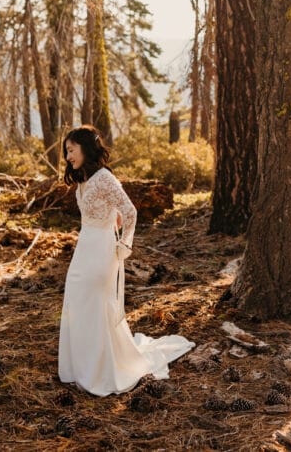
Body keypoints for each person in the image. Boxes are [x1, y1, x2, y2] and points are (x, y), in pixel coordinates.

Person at [57, 125, 194, 395]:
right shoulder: (84, 179)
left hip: (102, 251)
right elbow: (112, 210)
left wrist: (123, 244)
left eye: (72, 150)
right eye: (66, 152)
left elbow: (130, 211)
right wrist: (113, 216)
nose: (68, 157)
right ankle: (82, 367)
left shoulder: (104, 178)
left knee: (97, 303)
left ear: (86, 148)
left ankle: (102, 369)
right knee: (77, 300)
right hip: (84, 247)